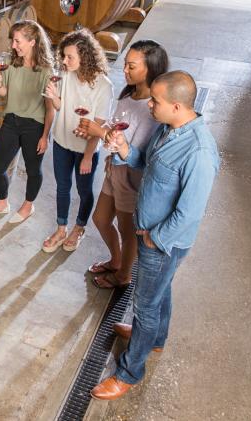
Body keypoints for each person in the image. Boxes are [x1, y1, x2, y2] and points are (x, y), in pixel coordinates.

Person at [80, 70, 220, 401]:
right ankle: (155, 339)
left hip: (162, 242)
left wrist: (153, 239)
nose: (150, 105)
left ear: (176, 105)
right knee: (161, 291)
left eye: (155, 101)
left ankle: (129, 372)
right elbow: (147, 162)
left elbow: (190, 213)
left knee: (145, 304)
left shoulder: (198, 152)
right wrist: (126, 148)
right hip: (150, 233)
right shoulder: (167, 129)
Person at [84, 40, 167, 288]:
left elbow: (135, 152)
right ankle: (116, 260)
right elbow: (116, 126)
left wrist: (99, 132)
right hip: (114, 170)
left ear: (150, 69)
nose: (125, 70)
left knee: (126, 229)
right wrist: (104, 130)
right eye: (125, 65)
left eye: (132, 66)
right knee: (100, 218)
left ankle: (123, 276)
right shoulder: (128, 94)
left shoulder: (151, 108)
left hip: (131, 178)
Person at [41, 29, 113, 253]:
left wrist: (89, 156)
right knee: (62, 187)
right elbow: (62, 107)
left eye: (69, 57)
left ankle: (79, 227)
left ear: (85, 56)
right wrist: (54, 98)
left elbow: (99, 126)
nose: (64, 61)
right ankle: (61, 228)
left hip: (85, 149)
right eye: (63, 55)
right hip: (62, 141)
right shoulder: (65, 74)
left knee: (84, 190)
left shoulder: (104, 86)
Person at [0, 20, 56, 223]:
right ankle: (2, 203)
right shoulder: (11, 63)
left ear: (32, 42)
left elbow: (50, 108)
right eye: (13, 41)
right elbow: (6, 93)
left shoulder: (46, 72)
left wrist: (45, 136)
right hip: (11, 121)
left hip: (34, 126)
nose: (13, 46)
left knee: (33, 170)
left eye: (17, 41)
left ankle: (28, 206)